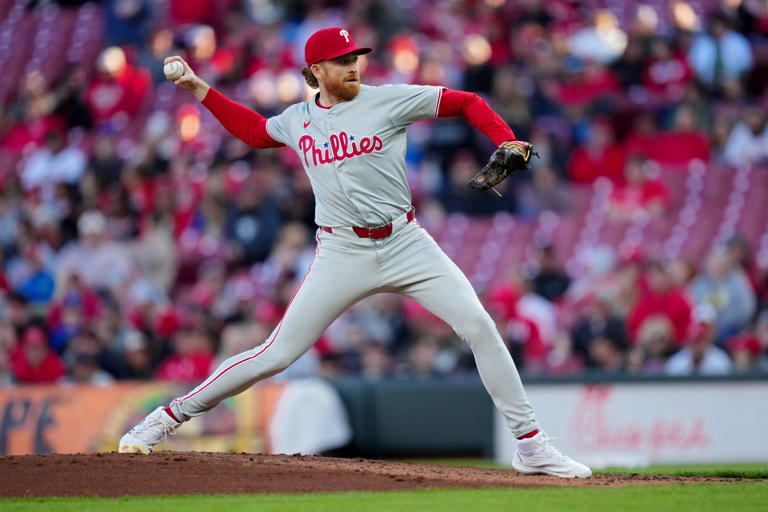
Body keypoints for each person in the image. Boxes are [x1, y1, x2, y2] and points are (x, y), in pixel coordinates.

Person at [119, 27, 591, 478]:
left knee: (480, 326)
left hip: (407, 242)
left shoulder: (388, 99)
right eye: (341, 61)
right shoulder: (298, 120)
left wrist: (504, 136)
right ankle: (166, 417)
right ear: (316, 70)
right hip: (342, 250)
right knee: (277, 353)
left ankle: (531, 446)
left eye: (355, 59)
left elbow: (467, 102)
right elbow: (255, 132)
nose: (353, 67)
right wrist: (200, 87)